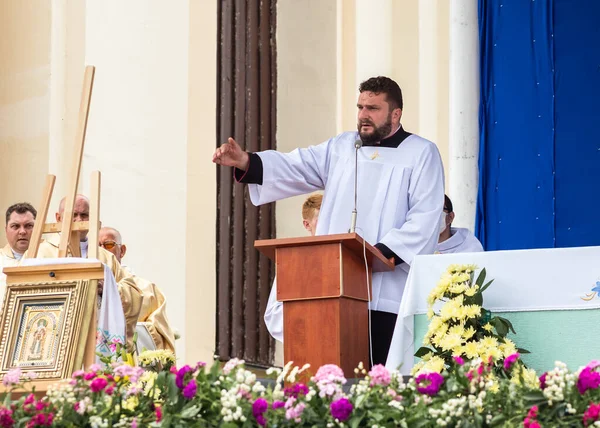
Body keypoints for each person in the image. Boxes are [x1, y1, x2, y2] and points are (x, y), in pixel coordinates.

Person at [213, 76, 445, 365]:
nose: (363, 115)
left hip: (387, 294)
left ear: (395, 114)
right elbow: (296, 166)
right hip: (334, 289)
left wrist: (377, 254)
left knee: (382, 381)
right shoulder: (342, 147)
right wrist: (247, 161)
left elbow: (426, 216)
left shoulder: (421, 153)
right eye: (360, 107)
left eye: (372, 108)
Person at [32, 195, 143, 351]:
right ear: (58, 218)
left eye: (84, 215)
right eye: (73, 215)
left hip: (96, 342)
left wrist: (108, 288)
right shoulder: (41, 253)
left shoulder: (104, 256)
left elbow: (134, 293)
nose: (79, 220)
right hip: (54, 341)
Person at [98, 226, 176, 353]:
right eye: (97, 246)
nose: (102, 251)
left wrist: (127, 331)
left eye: (108, 245)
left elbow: (160, 334)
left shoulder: (148, 290)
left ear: (122, 250)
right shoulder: (85, 284)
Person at [264, 193, 323, 342]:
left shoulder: (348, 255)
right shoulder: (293, 261)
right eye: (321, 220)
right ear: (307, 225)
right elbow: (274, 317)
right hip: (305, 344)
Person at [0, 203, 38, 309]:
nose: (22, 231)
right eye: (15, 226)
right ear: (6, 230)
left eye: (28, 226)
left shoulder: (49, 257)